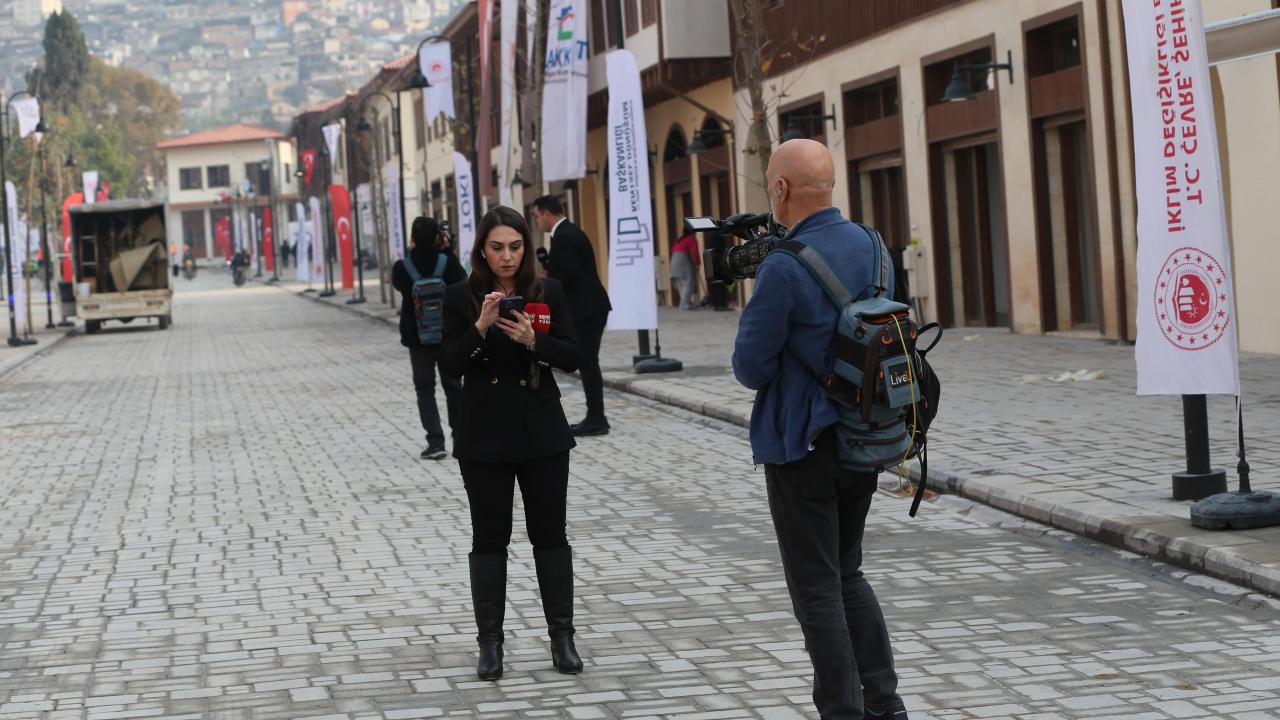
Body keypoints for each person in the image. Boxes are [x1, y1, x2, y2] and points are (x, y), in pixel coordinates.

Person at [732, 139, 908, 720]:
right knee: (849, 572)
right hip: (865, 437)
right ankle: (886, 704)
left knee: (817, 588)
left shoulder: (784, 266)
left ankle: (842, 711)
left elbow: (749, 367)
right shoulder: (875, 246)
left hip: (801, 445)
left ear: (780, 189)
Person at [440, 205, 585, 682]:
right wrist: (480, 327)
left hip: (541, 432)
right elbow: (449, 364)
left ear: (526, 247)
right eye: (497, 247)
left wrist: (532, 341)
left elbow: (571, 355)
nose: (507, 257)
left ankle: (562, 639)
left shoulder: (549, 291)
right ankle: (491, 645)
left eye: (516, 247)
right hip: (484, 437)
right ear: (482, 248)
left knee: (550, 534)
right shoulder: (460, 297)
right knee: (489, 539)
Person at [531, 195, 612, 437]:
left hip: (587, 309)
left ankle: (597, 418)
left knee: (588, 363)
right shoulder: (566, 232)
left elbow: (571, 273)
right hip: (588, 307)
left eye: (536, 216)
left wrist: (544, 283)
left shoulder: (565, 235)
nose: (537, 222)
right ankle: (595, 416)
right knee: (587, 363)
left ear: (546, 213)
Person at [392, 217, 467, 459]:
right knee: (454, 387)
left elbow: (399, 286)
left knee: (425, 389)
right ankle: (461, 438)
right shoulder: (447, 262)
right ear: (438, 237)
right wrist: (448, 250)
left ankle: (436, 443)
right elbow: (461, 282)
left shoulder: (403, 267)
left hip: (418, 339)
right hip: (447, 335)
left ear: (412, 238)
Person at [669, 232, 701, 310]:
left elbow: (673, 249)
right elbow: (694, 252)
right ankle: (684, 304)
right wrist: (697, 263)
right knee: (688, 282)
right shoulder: (691, 239)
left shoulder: (679, 239)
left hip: (674, 260)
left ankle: (687, 303)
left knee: (681, 284)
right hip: (683, 260)